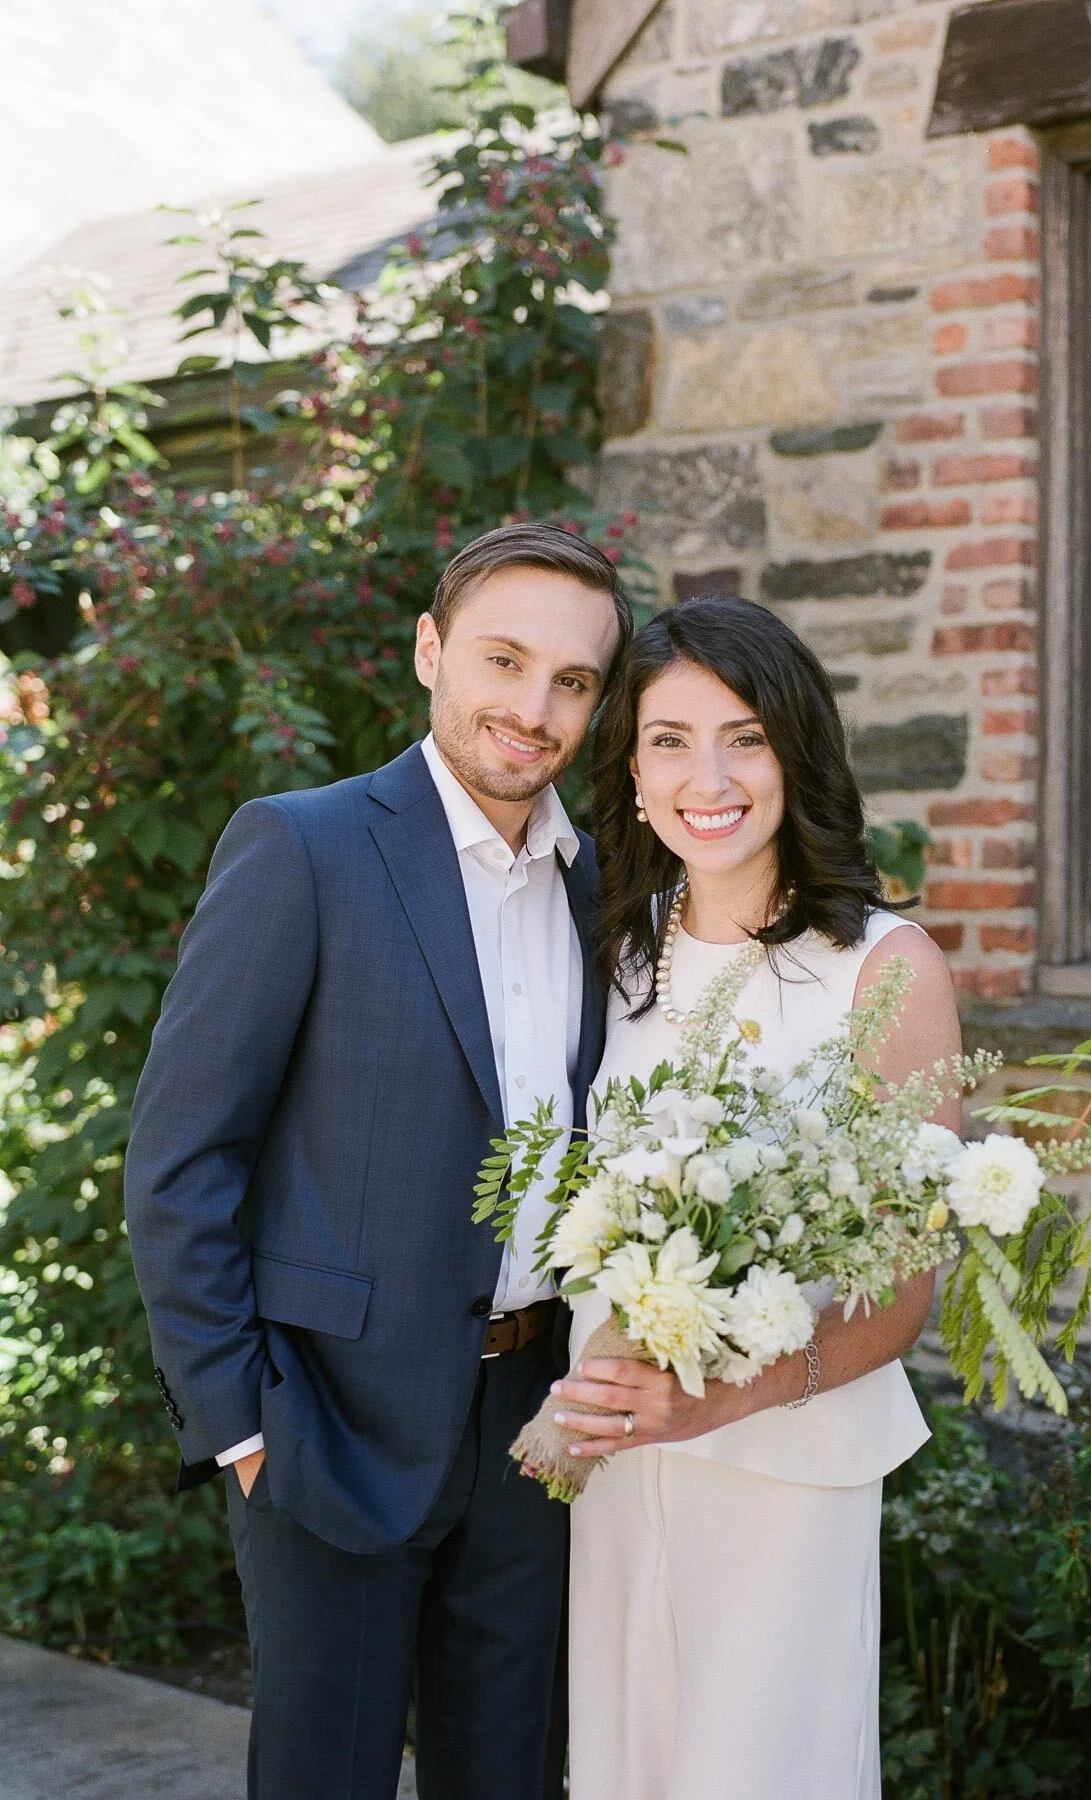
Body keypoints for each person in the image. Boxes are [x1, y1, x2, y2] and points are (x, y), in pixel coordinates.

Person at [123, 522, 629, 1800]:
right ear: (428, 651)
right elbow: (181, 1158)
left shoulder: (606, 888)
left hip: (539, 1425)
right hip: (325, 1424)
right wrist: (237, 1423)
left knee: (509, 1777)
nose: (531, 708)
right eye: (503, 661)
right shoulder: (303, 849)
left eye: (571, 681)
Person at [554, 595, 961, 1800]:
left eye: (744, 736)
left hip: (785, 1471)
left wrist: (712, 1405)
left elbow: (900, 1298)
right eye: (670, 739)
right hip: (614, 1465)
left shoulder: (885, 971)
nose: (708, 775)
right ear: (631, 769)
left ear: (796, 752)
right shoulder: (606, 956)